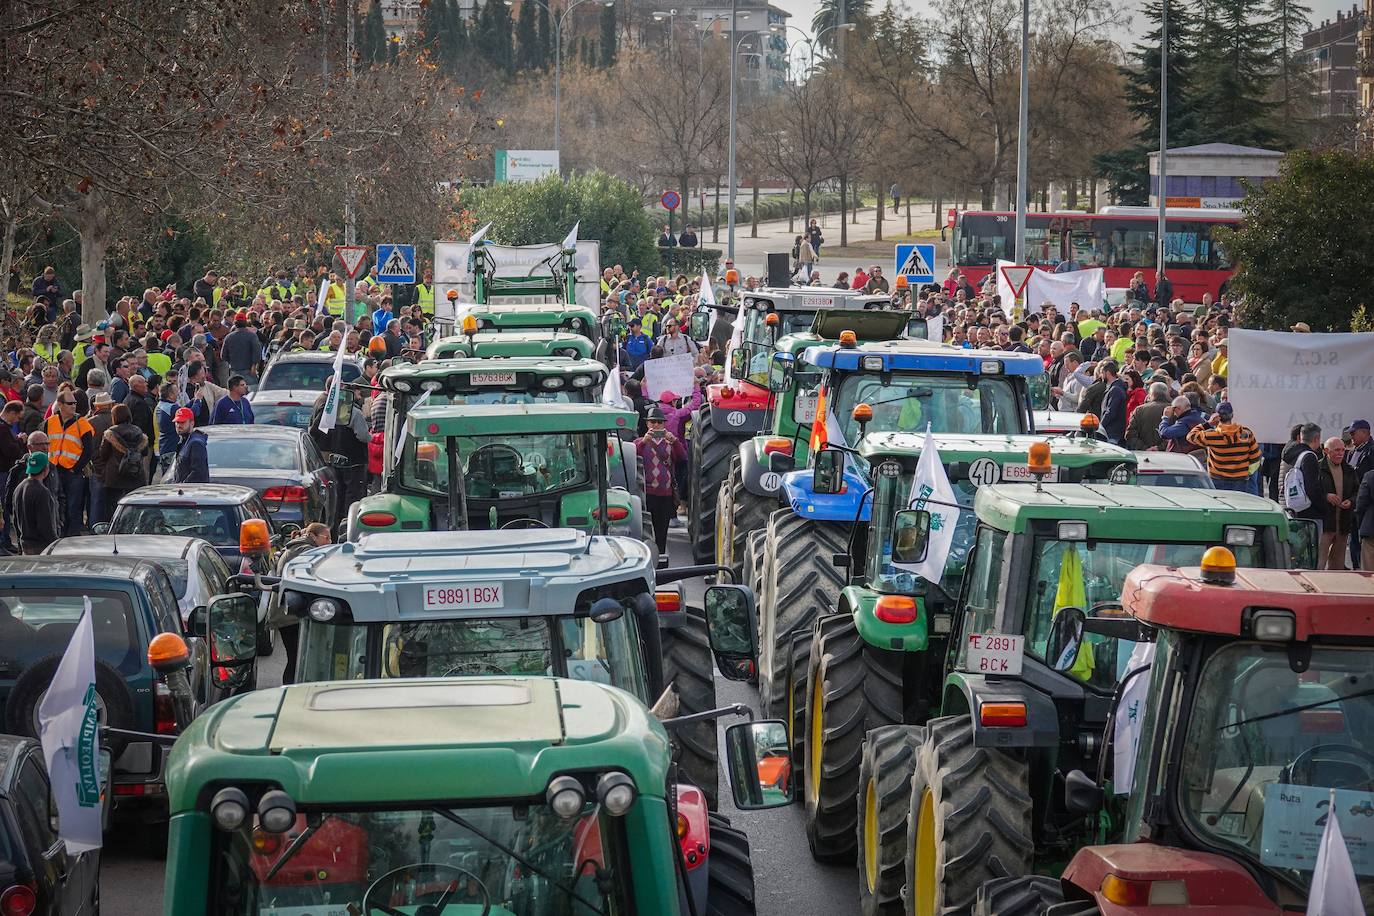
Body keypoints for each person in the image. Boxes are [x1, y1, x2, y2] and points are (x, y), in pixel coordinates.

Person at [272, 521, 332, 685]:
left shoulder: (299, 548)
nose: (329, 542)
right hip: (291, 614)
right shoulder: (305, 552)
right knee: (297, 657)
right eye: (326, 538)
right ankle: (290, 689)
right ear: (313, 536)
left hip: (289, 613)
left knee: (296, 656)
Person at [635, 406, 685, 555]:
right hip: (646, 495)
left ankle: (662, 562)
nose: (655, 425)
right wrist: (644, 442)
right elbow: (632, 457)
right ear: (647, 424)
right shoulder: (639, 442)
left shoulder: (669, 444)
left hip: (665, 495)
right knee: (646, 534)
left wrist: (675, 441)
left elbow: (682, 458)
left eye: (659, 422)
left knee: (662, 533)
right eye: (652, 422)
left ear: (663, 425)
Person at [44, 390, 94, 536]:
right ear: (60, 405)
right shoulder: (50, 422)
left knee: (73, 508)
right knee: (56, 505)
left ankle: (72, 537)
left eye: (75, 403)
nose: (74, 406)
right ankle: (58, 535)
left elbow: (89, 450)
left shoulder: (82, 423)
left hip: (73, 474)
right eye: (70, 403)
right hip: (54, 471)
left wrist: (76, 469)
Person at [1186, 401, 1262, 493]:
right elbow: (1256, 457)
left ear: (1216, 417)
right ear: (1232, 415)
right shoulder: (1246, 433)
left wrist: (1208, 423)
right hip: (1240, 480)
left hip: (1218, 479)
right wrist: (1245, 471)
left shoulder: (1212, 435)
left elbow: (1191, 436)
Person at [96, 404, 148, 520]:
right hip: (135, 475)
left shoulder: (110, 433)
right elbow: (144, 453)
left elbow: (103, 454)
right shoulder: (139, 432)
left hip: (115, 477)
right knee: (134, 509)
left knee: (113, 509)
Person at [1317, 437, 1355, 569]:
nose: (1340, 453)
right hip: (1325, 523)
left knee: (1337, 566)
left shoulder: (1349, 470)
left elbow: (1358, 491)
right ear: (1326, 451)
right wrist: (1326, 496)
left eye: (1343, 450)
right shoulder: (1318, 468)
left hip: (1342, 523)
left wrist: (1351, 501)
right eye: (1337, 450)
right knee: (1319, 563)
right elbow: (1312, 492)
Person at [13, 452, 59, 554]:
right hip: (41, 548)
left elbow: (16, 521)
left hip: (25, 546)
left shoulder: (19, 488)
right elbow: (45, 526)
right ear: (46, 468)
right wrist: (56, 543)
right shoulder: (42, 492)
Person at [1124, 382, 1169, 451]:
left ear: (1151, 394)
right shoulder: (1173, 410)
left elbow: (1130, 434)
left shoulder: (1139, 410)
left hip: (1144, 455)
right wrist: (1159, 448)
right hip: (1169, 455)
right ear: (1166, 394)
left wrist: (1144, 448)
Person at [172, 407, 210, 483]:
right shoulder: (184, 441)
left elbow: (198, 474)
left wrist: (182, 487)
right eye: (177, 422)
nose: (179, 425)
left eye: (182, 422)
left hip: (191, 492)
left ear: (192, 423)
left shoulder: (195, 443)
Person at [1098, 360, 1127, 444]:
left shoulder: (1115, 390)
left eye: (1102, 373)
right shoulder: (1115, 388)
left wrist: (1100, 427)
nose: (1101, 376)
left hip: (1112, 433)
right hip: (1111, 432)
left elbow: (1111, 412)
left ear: (1107, 373)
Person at [1356, 462, 1374, 571]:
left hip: (1371, 528)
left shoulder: (1370, 476)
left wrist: (1360, 525)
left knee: (1369, 572)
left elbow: (1361, 504)